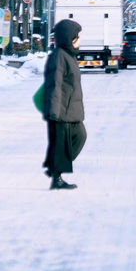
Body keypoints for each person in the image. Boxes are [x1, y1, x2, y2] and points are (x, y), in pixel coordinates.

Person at [42, 19, 87, 190]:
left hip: (71, 109)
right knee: (62, 145)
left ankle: (55, 169)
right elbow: (55, 84)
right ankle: (57, 176)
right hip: (62, 111)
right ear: (69, 38)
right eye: (77, 37)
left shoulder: (69, 55)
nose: (79, 40)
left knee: (80, 136)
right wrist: (54, 112)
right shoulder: (59, 56)